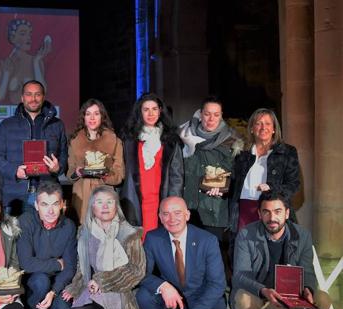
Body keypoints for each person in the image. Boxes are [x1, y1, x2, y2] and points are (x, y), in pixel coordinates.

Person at [232, 190, 332, 309]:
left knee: (323, 301)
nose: (272, 218)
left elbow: (307, 270)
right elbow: (239, 275)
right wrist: (263, 290)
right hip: (258, 292)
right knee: (243, 299)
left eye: (278, 212)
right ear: (259, 214)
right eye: (266, 212)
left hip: (289, 294)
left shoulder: (303, 235)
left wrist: (308, 288)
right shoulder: (246, 234)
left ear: (287, 213)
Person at [63, 186, 150, 309]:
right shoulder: (85, 232)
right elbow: (83, 265)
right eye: (100, 202)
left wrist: (103, 281)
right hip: (94, 284)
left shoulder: (129, 234)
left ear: (116, 207)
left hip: (122, 287)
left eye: (110, 202)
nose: (105, 206)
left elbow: (137, 271)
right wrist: (76, 286)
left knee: (100, 292)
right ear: (92, 207)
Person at [136, 196, 228, 309]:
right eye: (166, 214)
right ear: (160, 217)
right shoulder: (153, 238)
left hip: (202, 296)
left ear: (187, 215)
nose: (171, 219)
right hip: (174, 297)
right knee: (143, 296)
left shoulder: (208, 240)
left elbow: (217, 284)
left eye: (177, 213)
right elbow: (141, 272)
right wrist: (163, 286)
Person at [179, 96, 243, 279]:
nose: (211, 119)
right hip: (189, 209)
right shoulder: (185, 138)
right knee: (190, 264)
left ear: (221, 116)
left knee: (214, 264)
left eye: (216, 115)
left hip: (216, 212)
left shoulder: (233, 143)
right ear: (201, 115)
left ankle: (217, 303)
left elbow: (236, 179)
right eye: (207, 114)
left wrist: (226, 188)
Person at [0, 80, 68, 215]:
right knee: (15, 236)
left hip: (48, 195)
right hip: (15, 196)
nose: (33, 99)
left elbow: (64, 156)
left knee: (47, 236)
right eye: (29, 94)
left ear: (43, 96)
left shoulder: (57, 125)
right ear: (22, 98)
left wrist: (58, 168)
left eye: (37, 94)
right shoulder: (7, 125)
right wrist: (14, 170)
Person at [17, 181, 76, 309]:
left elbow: (70, 266)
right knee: (40, 280)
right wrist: (57, 264)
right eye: (44, 204)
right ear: (36, 205)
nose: (50, 211)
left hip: (54, 282)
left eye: (55, 204)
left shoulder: (68, 226)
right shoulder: (26, 221)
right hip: (30, 279)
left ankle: (41, 306)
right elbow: (26, 263)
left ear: (63, 204)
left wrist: (54, 292)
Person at [119, 93, 183, 239]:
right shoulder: (128, 139)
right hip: (134, 201)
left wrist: (174, 205)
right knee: (136, 247)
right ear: (139, 112)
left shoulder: (171, 141)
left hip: (161, 201)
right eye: (146, 109)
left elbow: (176, 177)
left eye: (154, 109)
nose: (150, 113)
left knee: (158, 245)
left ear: (160, 111)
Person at [230, 108, 300, 234]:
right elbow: (232, 183)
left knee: (271, 252)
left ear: (274, 129)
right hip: (244, 211)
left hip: (272, 211)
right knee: (245, 250)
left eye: (267, 124)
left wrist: (272, 188)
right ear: (252, 128)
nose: (263, 127)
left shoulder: (287, 152)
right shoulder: (241, 153)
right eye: (258, 123)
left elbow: (294, 185)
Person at [68, 98, 124, 223]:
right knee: (83, 236)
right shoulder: (74, 141)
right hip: (81, 197)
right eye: (88, 114)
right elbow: (70, 172)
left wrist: (105, 175)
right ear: (84, 118)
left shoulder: (114, 141)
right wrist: (76, 173)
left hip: (105, 195)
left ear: (102, 117)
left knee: (106, 236)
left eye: (96, 114)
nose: (92, 118)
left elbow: (119, 174)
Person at [0, 18, 51, 104]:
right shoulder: (4, 64)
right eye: (23, 34)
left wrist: (35, 63)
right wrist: (6, 74)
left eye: (29, 34)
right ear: (12, 38)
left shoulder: (37, 61)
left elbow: (43, 91)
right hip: (11, 113)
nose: (28, 37)